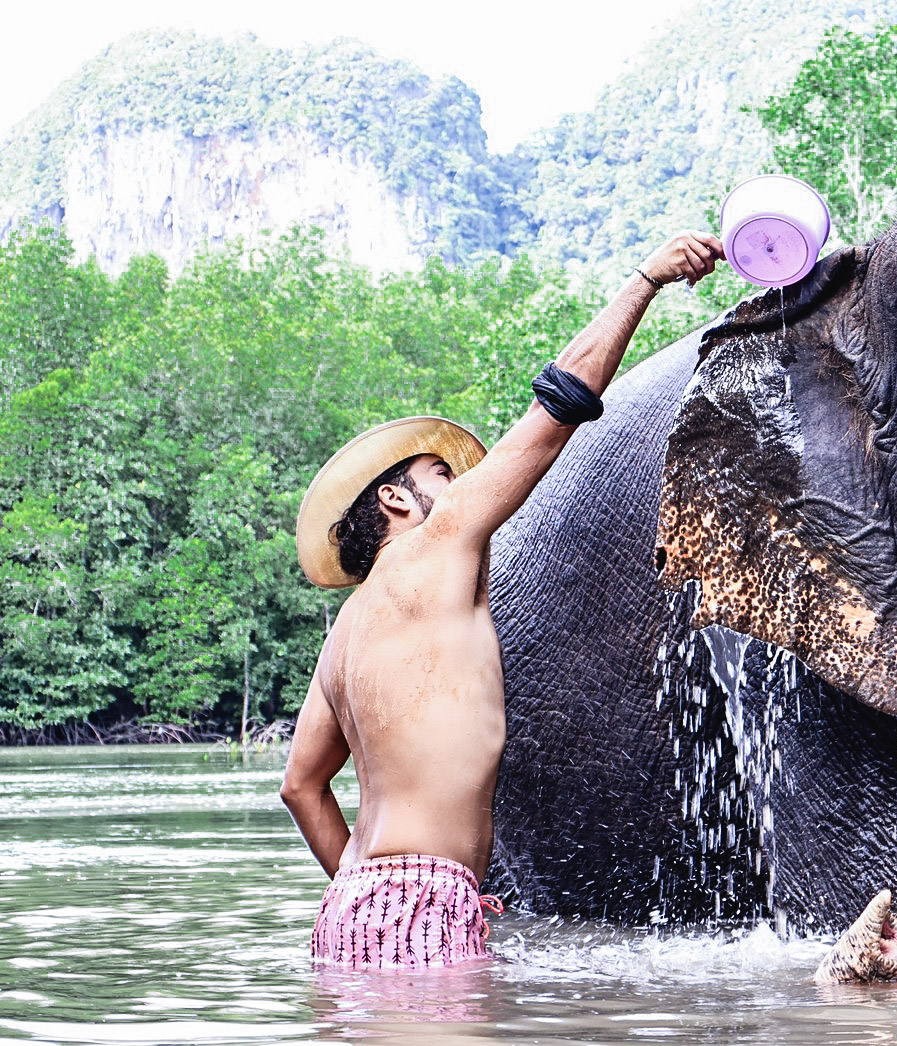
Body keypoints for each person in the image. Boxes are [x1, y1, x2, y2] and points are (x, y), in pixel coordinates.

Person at [280, 231, 726, 969]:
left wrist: (364, 890)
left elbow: (301, 786)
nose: (458, 485)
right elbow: (561, 407)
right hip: (423, 896)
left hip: (354, 910)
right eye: (438, 472)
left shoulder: (343, 635)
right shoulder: (439, 540)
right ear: (395, 498)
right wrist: (646, 279)